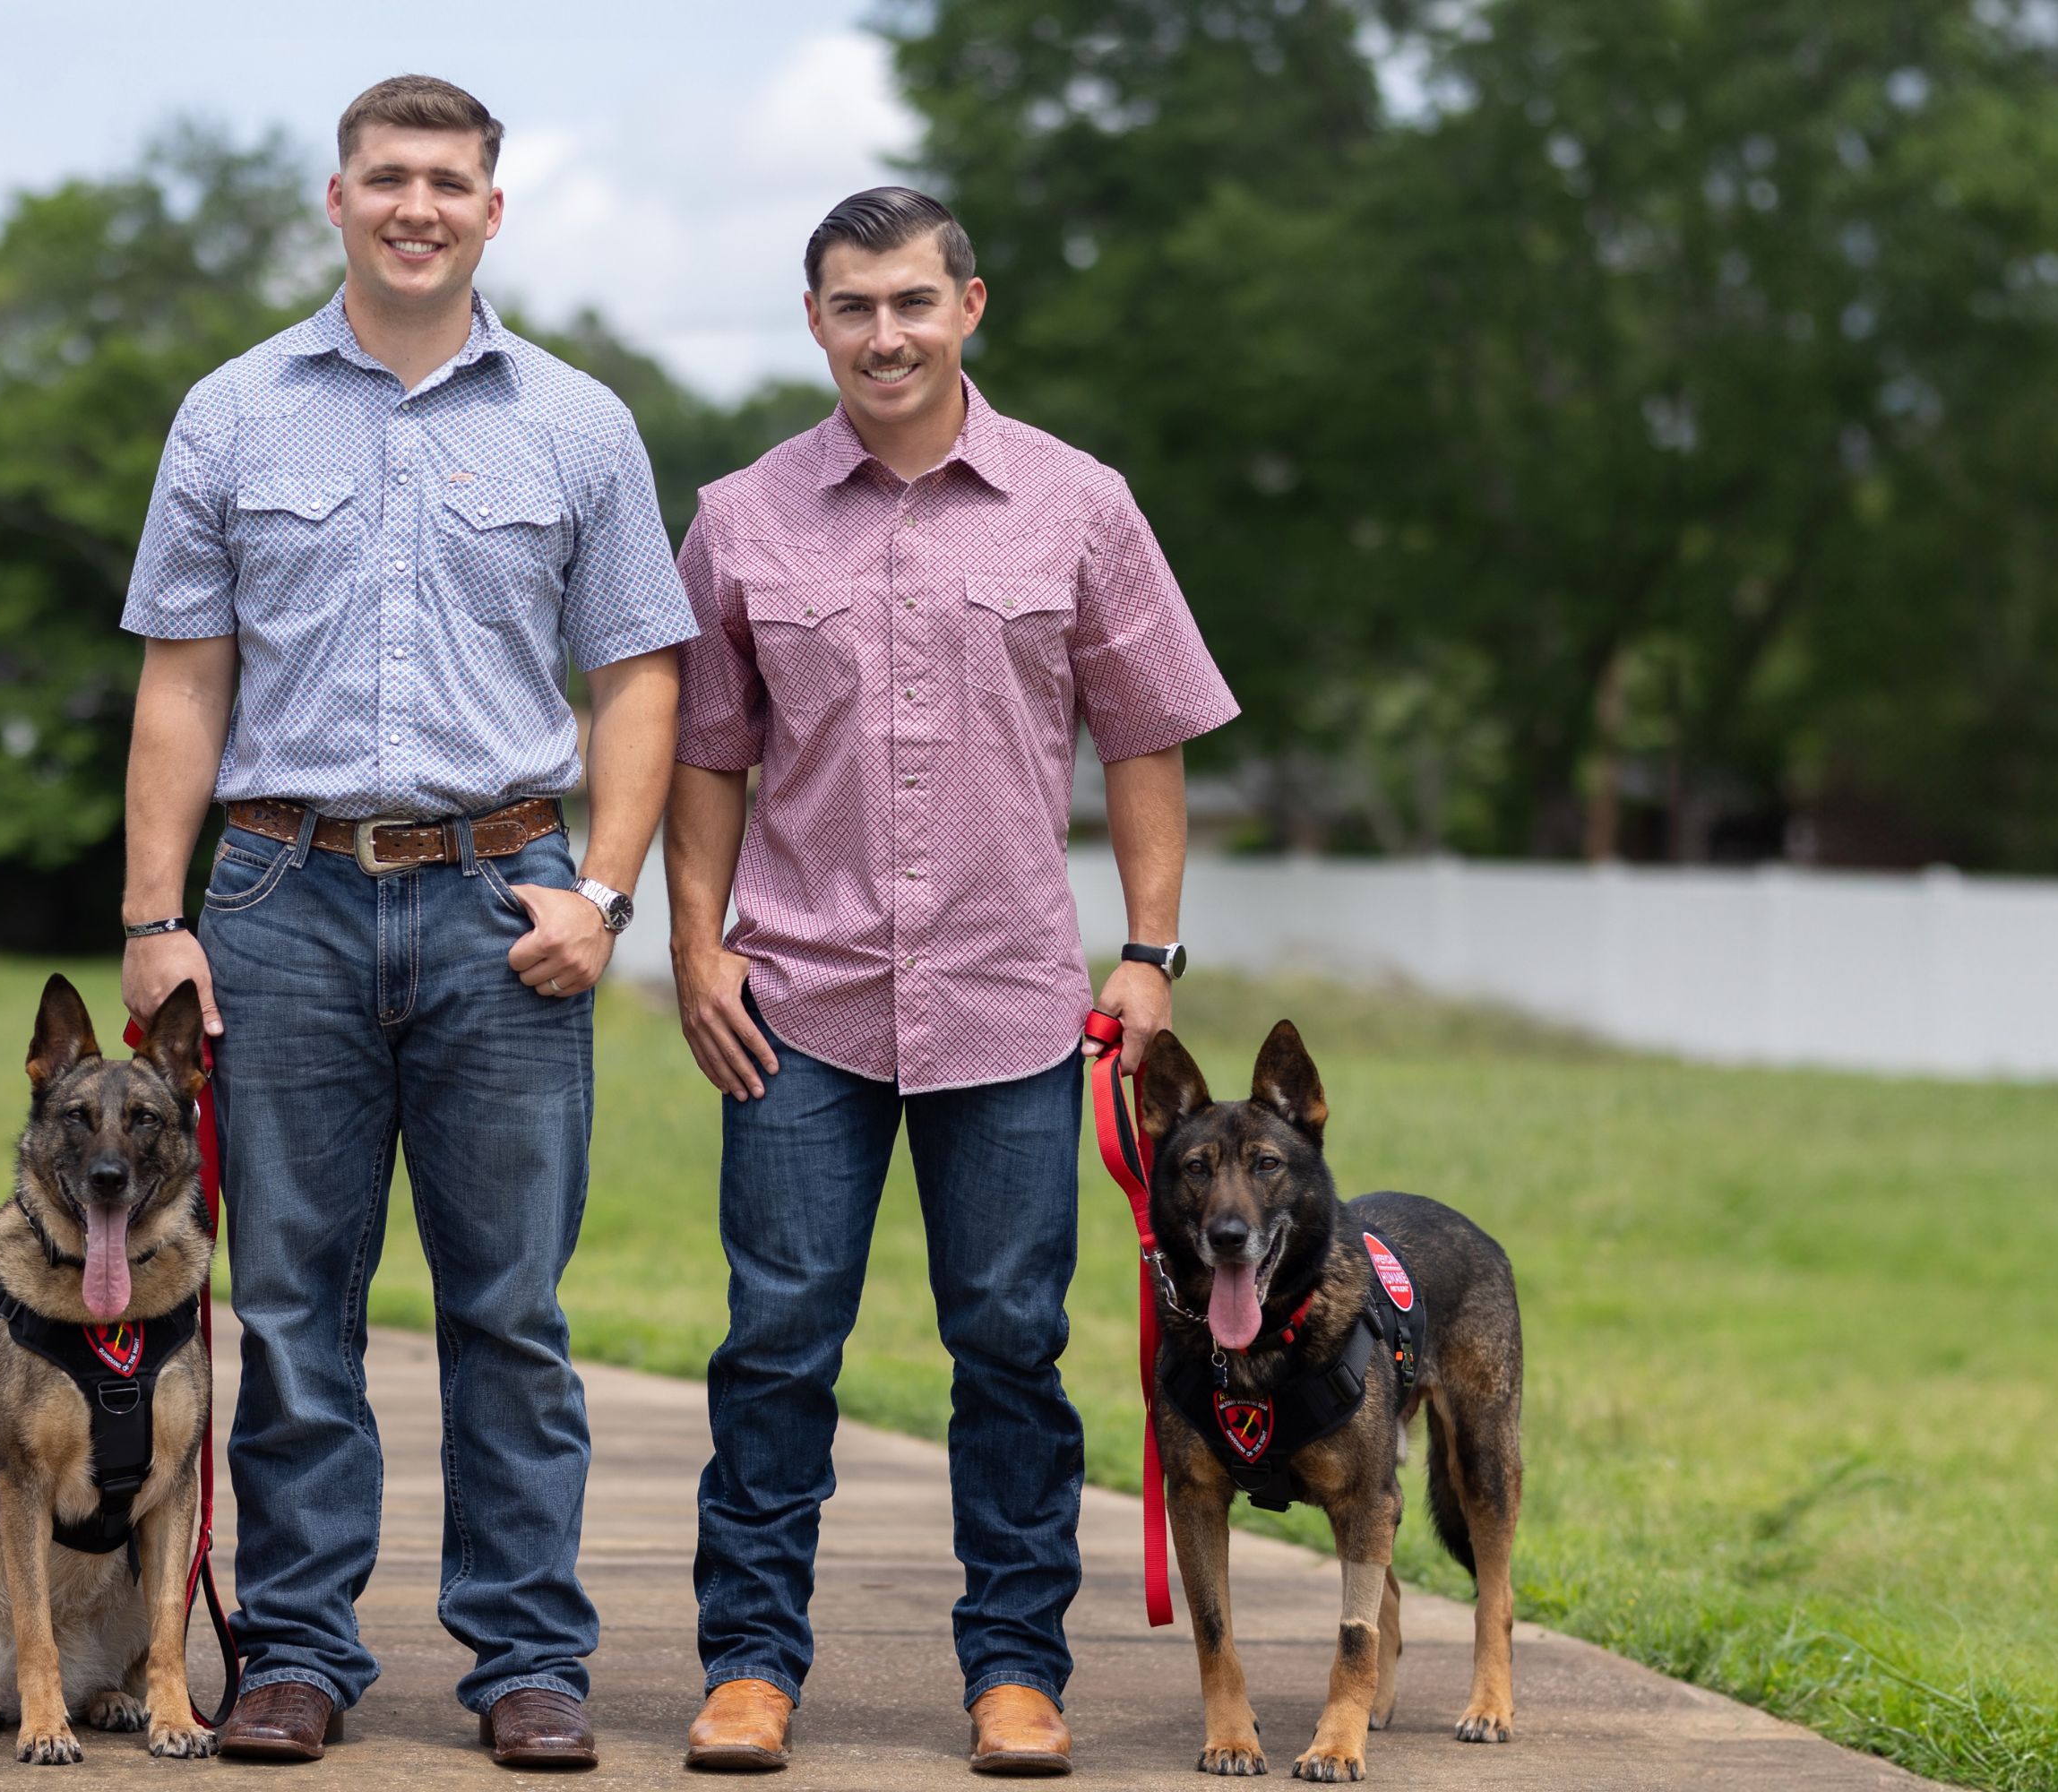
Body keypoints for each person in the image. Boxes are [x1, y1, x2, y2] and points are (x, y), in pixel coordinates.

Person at [114, 74, 693, 1771]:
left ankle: (528, 1661)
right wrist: (155, 917)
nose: (417, 205)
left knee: (510, 1310)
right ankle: (298, 1652)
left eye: (449, 181)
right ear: (339, 200)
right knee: (293, 1304)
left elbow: (641, 676)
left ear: (492, 211)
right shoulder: (230, 412)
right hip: (279, 898)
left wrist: (606, 895)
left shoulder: (577, 421)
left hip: (502, 902)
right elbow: (182, 679)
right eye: (388, 179)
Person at [665, 187, 1237, 1777]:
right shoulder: (742, 516)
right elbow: (709, 754)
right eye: (853, 306)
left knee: (1009, 1342)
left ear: (969, 307)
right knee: (776, 1341)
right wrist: (695, 940)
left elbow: (1147, 734)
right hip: (801, 1001)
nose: (885, 333)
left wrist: (1148, 951)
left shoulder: (1079, 505)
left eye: (913, 301)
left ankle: (1014, 1674)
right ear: (815, 323)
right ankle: (750, 1668)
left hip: (1006, 1002)